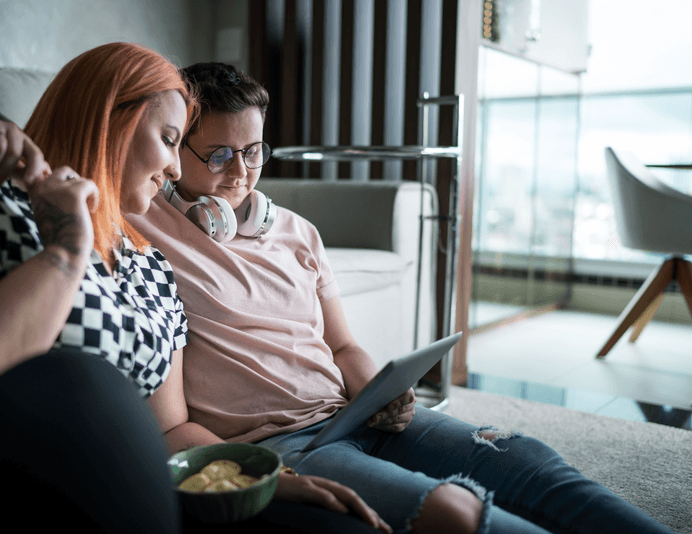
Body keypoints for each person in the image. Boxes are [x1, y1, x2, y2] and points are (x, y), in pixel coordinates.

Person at [126, 62, 678, 534]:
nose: (241, 174)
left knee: (532, 463)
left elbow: (342, 346)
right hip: (285, 448)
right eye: (219, 156)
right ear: (175, 152)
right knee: (450, 511)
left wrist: (381, 392)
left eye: (253, 152)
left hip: (352, 414)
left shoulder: (297, 232)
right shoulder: (144, 232)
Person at [0, 42, 388, 533]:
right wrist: (65, 254)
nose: (176, 169)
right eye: (170, 139)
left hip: (156, 492)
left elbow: (171, 429)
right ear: (112, 122)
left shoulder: (151, 265)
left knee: (341, 521)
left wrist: (263, 475)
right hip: (12, 487)